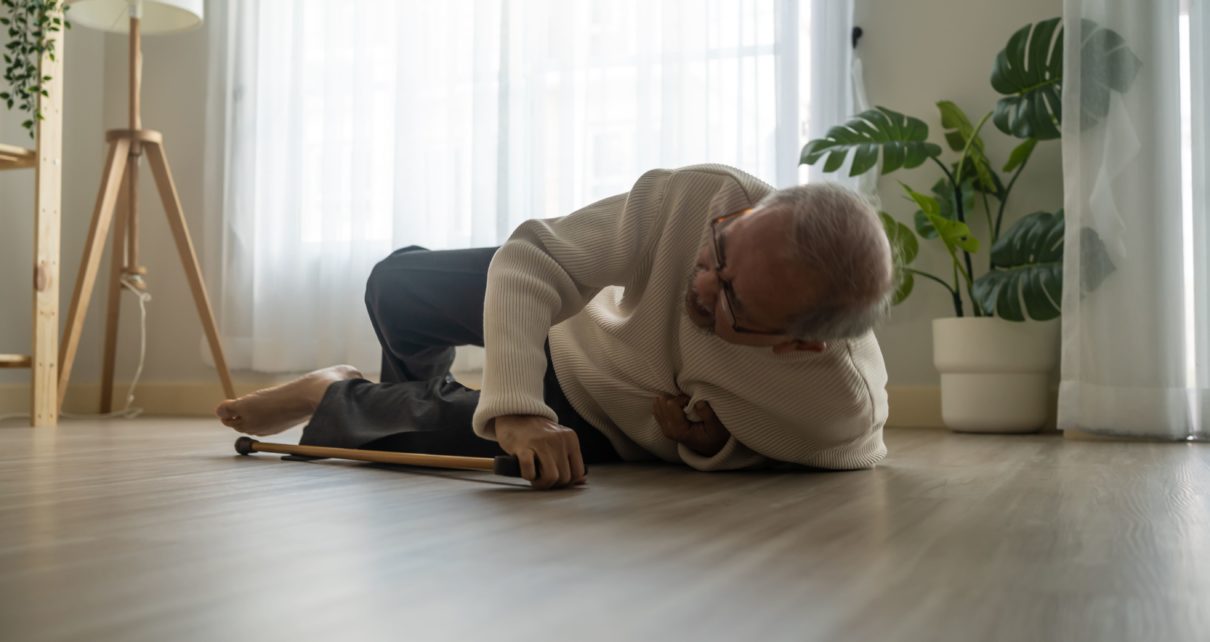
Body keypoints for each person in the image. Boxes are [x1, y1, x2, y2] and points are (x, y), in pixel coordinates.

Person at [217, 164, 894, 490]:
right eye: (719, 249)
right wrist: (514, 406)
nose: (702, 282)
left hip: (600, 421)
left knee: (492, 457)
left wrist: (715, 442)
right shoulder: (706, 196)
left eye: (733, 302)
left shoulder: (835, 409)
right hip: (575, 328)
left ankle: (338, 392)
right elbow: (533, 258)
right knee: (395, 286)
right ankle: (411, 404)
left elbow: (794, 449)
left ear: (800, 343)